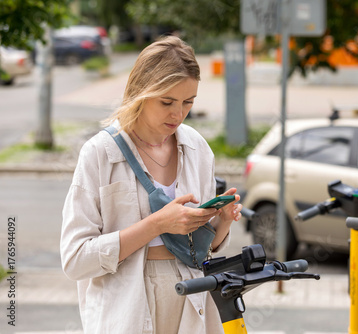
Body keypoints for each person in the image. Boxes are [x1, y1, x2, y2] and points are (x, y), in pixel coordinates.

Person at [60, 36, 242, 334]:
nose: (178, 114)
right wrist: (156, 224)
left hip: (193, 296)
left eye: (188, 102)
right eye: (167, 101)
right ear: (141, 92)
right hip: (126, 303)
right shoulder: (99, 153)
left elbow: (202, 250)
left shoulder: (197, 147)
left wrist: (221, 223)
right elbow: (75, 260)